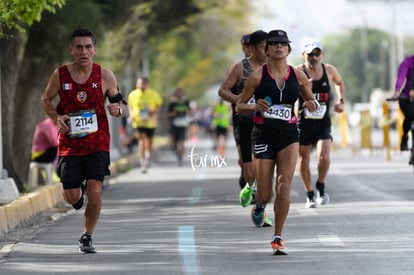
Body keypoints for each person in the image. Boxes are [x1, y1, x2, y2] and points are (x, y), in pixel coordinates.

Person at [40, 28, 128, 254]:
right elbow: (45, 100)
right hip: (70, 145)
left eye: (88, 47)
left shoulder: (105, 75)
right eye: (79, 47)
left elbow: (121, 105)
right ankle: (77, 197)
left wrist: (117, 109)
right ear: (71, 50)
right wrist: (57, 117)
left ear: (95, 50)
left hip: (97, 143)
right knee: (71, 197)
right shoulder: (60, 75)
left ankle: (87, 236)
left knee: (96, 190)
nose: (84, 51)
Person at [236, 29, 318, 255]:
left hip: (289, 135)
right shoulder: (257, 76)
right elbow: (239, 106)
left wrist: (311, 105)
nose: (279, 47)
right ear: (267, 49)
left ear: (289, 50)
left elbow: (310, 100)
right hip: (263, 135)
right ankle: (260, 206)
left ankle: (277, 238)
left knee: (284, 187)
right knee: (266, 193)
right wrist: (254, 106)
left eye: (283, 44)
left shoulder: (298, 76)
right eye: (274, 44)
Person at [218, 31, 272, 224]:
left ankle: (260, 208)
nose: (266, 52)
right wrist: (240, 100)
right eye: (262, 48)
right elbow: (222, 90)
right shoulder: (240, 67)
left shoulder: (274, 67)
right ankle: (250, 186)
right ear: (252, 48)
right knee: (248, 166)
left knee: (264, 167)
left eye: (269, 47)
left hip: (268, 123)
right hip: (245, 121)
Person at [295, 41, 346, 208]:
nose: (314, 57)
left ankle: (320, 185)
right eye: (311, 54)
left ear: (321, 55)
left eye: (317, 54)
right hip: (303, 123)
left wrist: (340, 101)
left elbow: (339, 83)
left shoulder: (329, 70)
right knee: (303, 160)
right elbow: (286, 91)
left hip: (323, 122)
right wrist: (302, 90)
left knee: (323, 157)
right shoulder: (297, 72)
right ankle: (309, 194)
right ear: (304, 54)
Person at [128, 77, 163, 173]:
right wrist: (131, 115)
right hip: (138, 122)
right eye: (138, 84)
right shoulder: (133, 94)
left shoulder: (153, 94)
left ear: (146, 84)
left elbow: (159, 105)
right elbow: (130, 106)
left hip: (150, 122)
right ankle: (142, 162)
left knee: (149, 142)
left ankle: (148, 156)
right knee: (141, 141)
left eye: (142, 84)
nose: (140, 86)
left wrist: (154, 111)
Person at [390, 55, 414, 164]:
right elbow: (401, 77)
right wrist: (397, 91)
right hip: (407, 98)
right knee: (410, 116)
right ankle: (405, 137)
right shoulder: (407, 62)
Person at [167, 88, 190, 166]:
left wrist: (186, 112)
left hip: (183, 125)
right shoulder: (173, 104)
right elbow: (168, 114)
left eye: (181, 94)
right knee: (175, 142)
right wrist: (175, 113)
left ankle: (180, 158)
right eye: (178, 94)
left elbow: (190, 112)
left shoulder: (186, 102)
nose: (180, 96)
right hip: (174, 125)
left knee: (181, 142)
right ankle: (177, 152)